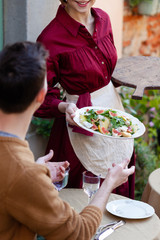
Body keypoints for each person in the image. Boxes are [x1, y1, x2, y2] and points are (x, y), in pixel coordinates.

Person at [0, 41, 135, 240]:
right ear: (41, 96)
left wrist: (37, 170)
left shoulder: (21, 168)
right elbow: (78, 233)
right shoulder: (23, 173)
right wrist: (109, 183)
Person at [35, 0, 136, 198]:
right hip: (79, 121)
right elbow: (38, 96)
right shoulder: (50, 38)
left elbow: (107, 70)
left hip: (114, 114)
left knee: (117, 183)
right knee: (82, 196)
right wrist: (65, 106)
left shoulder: (104, 19)